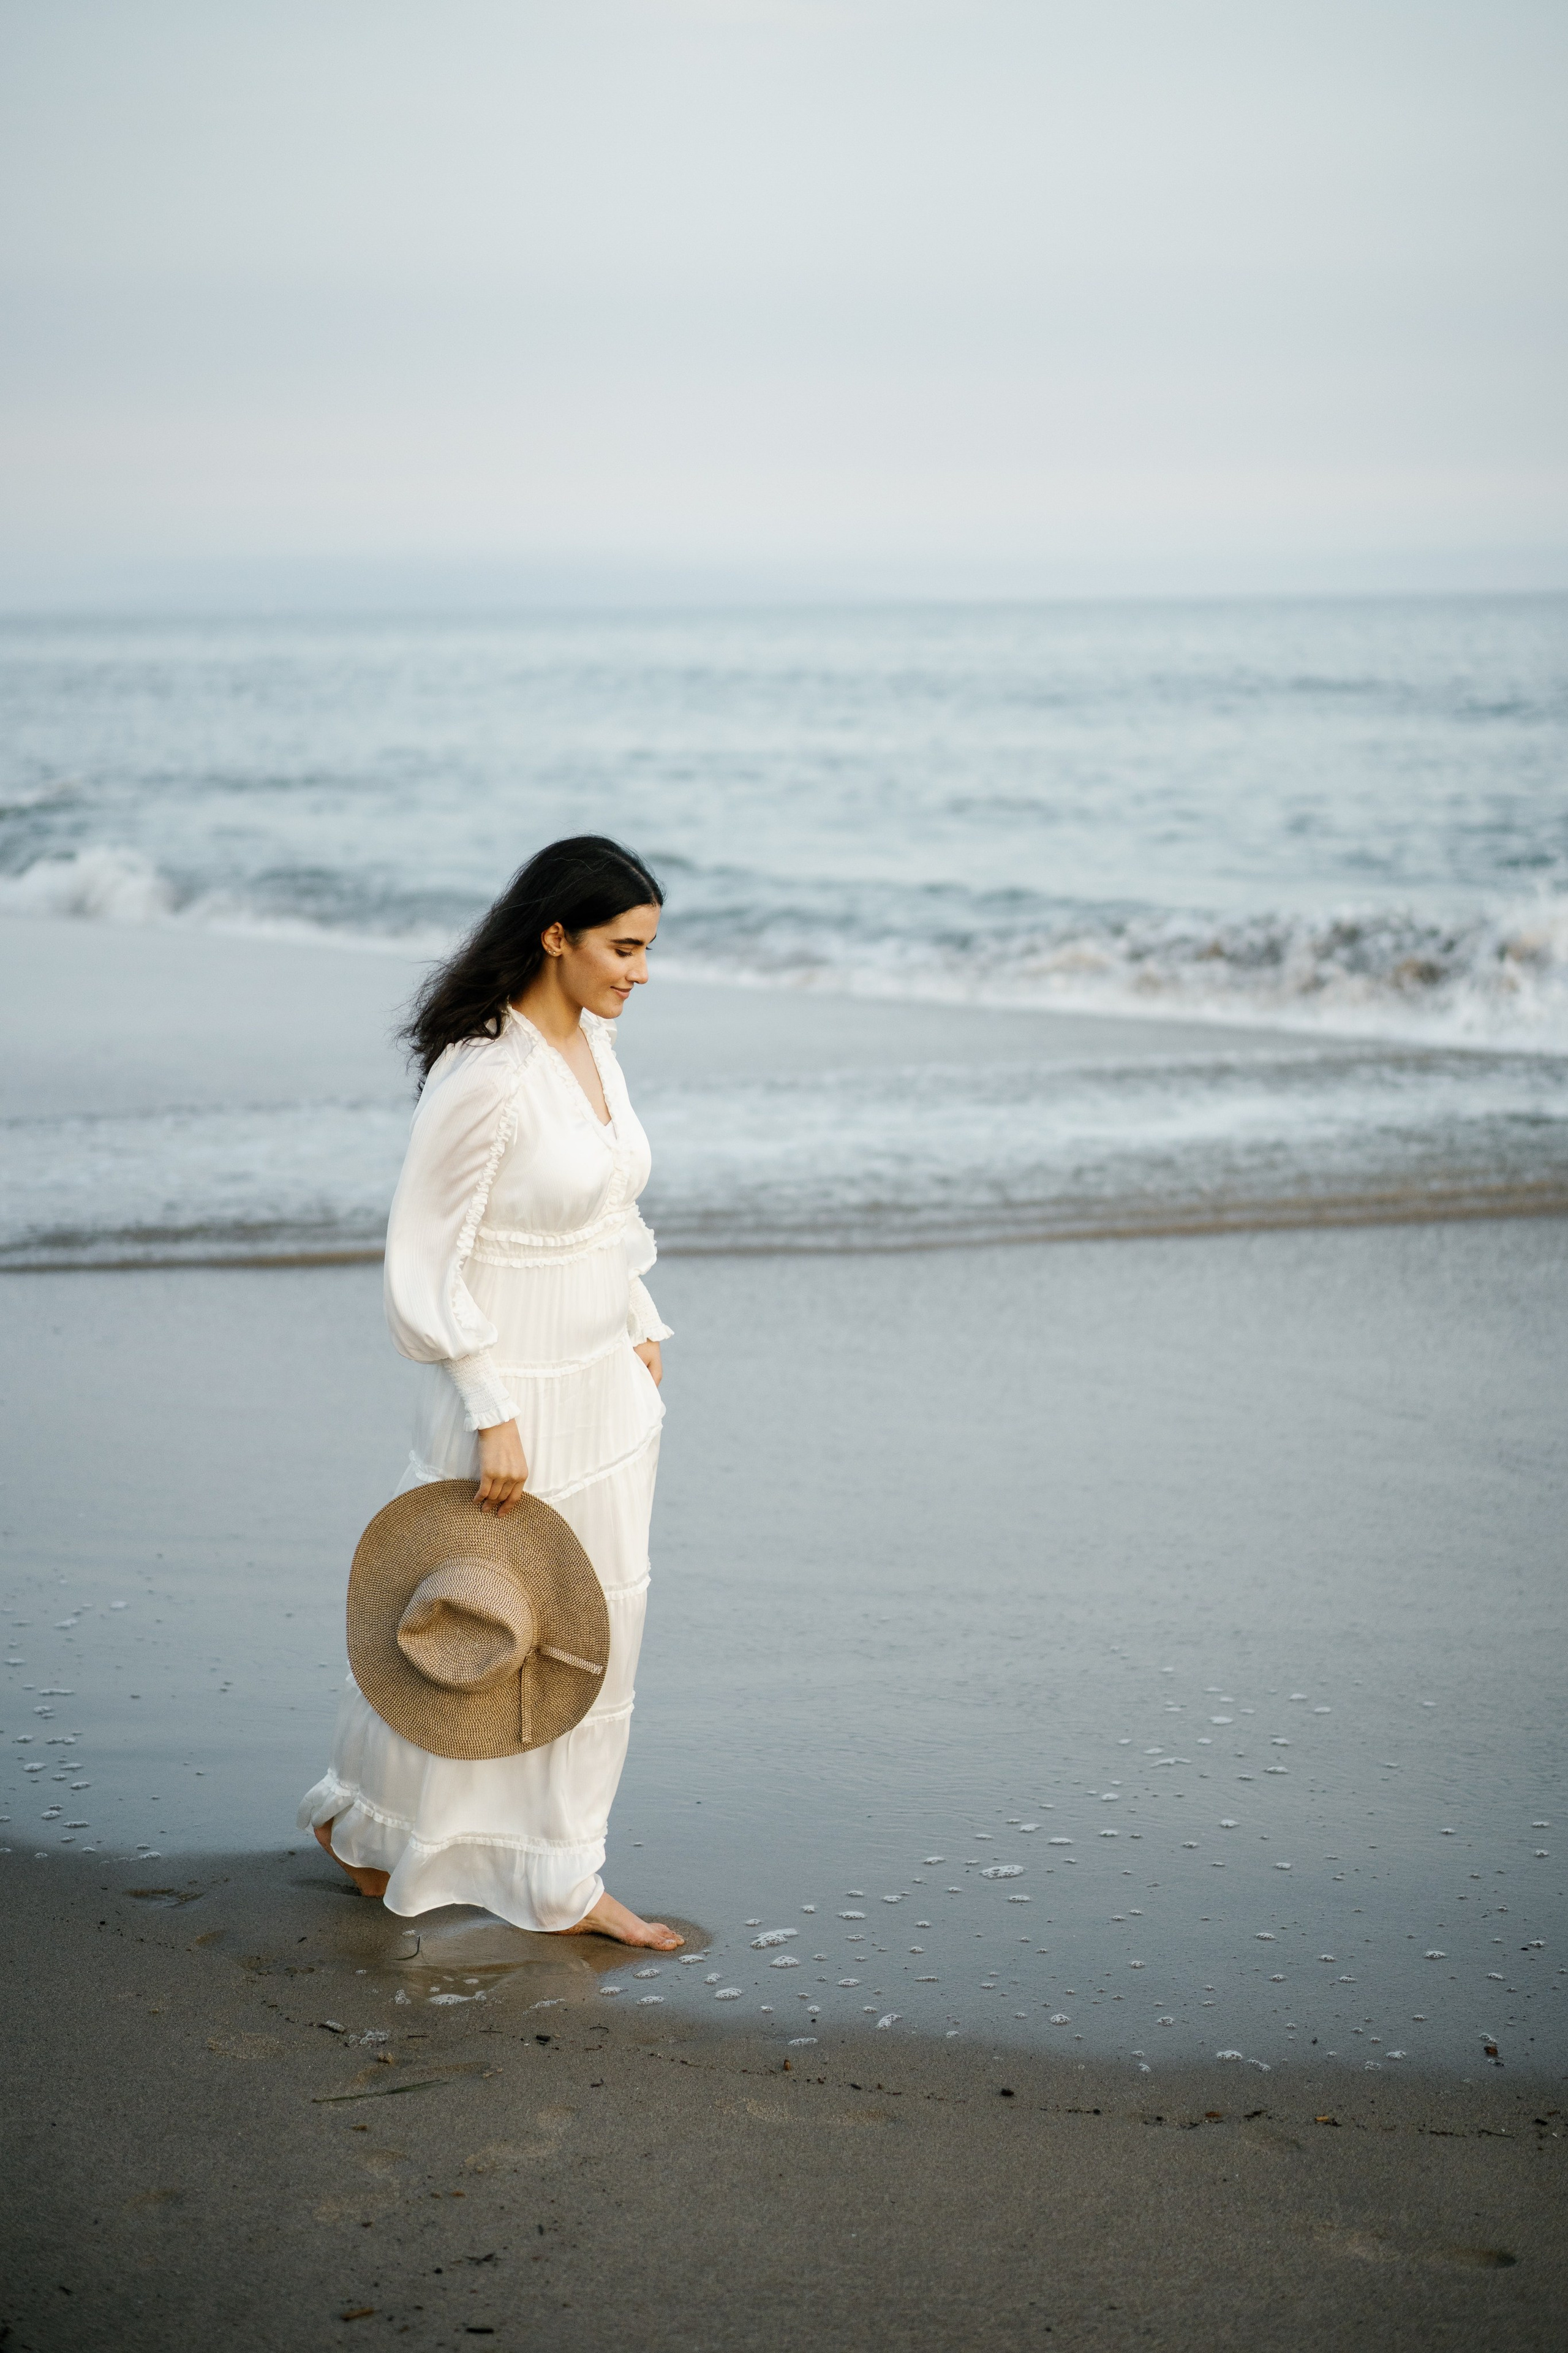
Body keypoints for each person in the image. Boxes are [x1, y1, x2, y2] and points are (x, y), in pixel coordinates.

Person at [298, 835, 682, 1950]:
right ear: (556, 935)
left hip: (603, 1386)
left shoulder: (595, 1045)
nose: (640, 972)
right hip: (508, 1396)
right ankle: (384, 1825)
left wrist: (642, 1316)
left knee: (592, 1633)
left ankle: (557, 1864)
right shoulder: (486, 1074)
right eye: (623, 947)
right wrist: (490, 1406)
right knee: (470, 1618)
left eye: (648, 949)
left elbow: (611, 1206)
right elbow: (423, 1257)